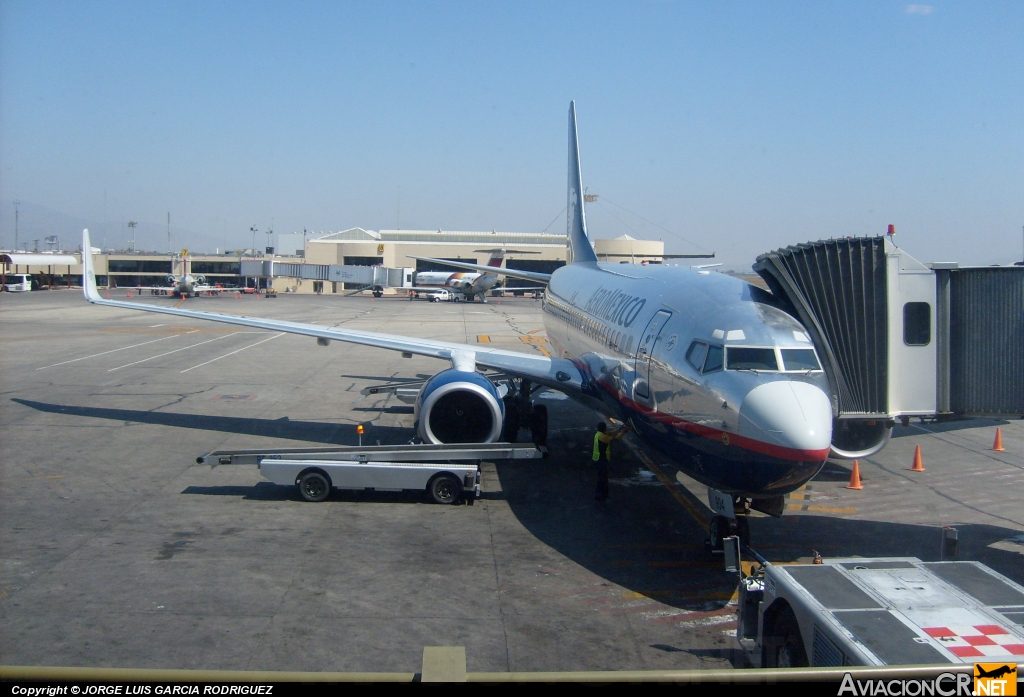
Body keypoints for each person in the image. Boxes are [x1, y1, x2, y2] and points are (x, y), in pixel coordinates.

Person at [592, 421, 630, 501]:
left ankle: (603, 495)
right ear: (604, 428)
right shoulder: (603, 437)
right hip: (601, 460)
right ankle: (600, 495)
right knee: (602, 479)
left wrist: (620, 428)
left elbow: (611, 433)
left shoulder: (599, 434)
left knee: (603, 478)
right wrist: (623, 432)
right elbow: (616, 439)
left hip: (599, 459)